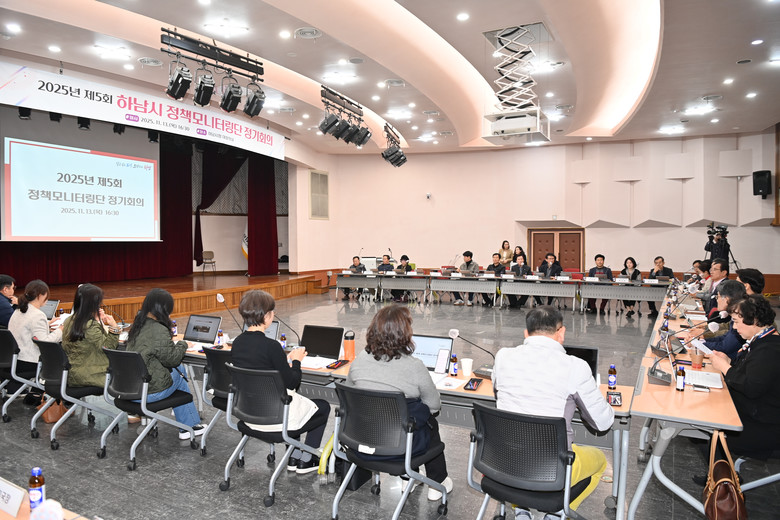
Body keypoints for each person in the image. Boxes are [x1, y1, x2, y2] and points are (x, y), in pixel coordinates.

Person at [492, 306, 614, 517]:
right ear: (561, 332)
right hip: (552, 470)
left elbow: (497, 394)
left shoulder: (502, 357)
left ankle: (521, 511)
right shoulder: (575, 366)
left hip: (505, 463)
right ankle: (557, 515)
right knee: (600, 461)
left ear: (526, 334)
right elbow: (603, 423)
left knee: (519, 438)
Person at [345, 305, 453, 500]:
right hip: (399, 448)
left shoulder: (360, 359)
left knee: (399, 416)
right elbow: (434, 405)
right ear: (405, 333)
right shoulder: (414, 366)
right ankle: (438, 482)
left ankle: (408, 478)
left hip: (362, 443)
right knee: (428, 422)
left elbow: (350, 394)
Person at [231, 290, 331, 474]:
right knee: (322, 406)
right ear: (266, 316)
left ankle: (292, 456)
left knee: (294, 403)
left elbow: (258, 366)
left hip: (248, 414)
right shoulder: (272, 346)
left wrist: (281, 363)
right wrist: (296, 361)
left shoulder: (237, 343)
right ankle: (306, 460)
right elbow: (292, 383)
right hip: (275, 417)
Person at [125, 289, 205, 439]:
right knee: (180, 373)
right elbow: (172, 359)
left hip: (129, 389)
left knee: (177, 370)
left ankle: (181, 412)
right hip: (148, 392)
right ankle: (189, 426)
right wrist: (183, 344)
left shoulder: (138, 325)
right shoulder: (158, 329)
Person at [708, 295, 780, 459]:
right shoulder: (762, 341)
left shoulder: (770, 349)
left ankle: (723, 473)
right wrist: (729, 361)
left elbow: (751, 387)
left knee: (713, 435)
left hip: (764, 424)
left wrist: (725, 367)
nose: (734, 327)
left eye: (736, 321)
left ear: (754, 320)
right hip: (753, 412)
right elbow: (750, 373)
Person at [8, 280, 64, 406]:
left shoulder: (19, 310)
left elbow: (25, 328)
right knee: (60, 360)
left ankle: (36, 393)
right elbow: (45, 343)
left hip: (13, 359)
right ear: (41, 295)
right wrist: (60, 331)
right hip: (28, 362)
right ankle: (38, 394)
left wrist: (46, 325)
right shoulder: (38, 315)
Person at [62, 284, 121, 387]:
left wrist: (97, 321)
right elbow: (108, 347)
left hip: (72, 374)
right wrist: (114, 327)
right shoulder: (90, 326)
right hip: (92, 376)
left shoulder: (69, 320)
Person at [685, 280, 746, 360]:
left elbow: (725, 346)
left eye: (718, 297)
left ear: (726, 299)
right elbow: (723, 338)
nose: (716, 300)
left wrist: (698, 344)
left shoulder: (740, 319)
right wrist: (700, 341)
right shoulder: (735, 316)